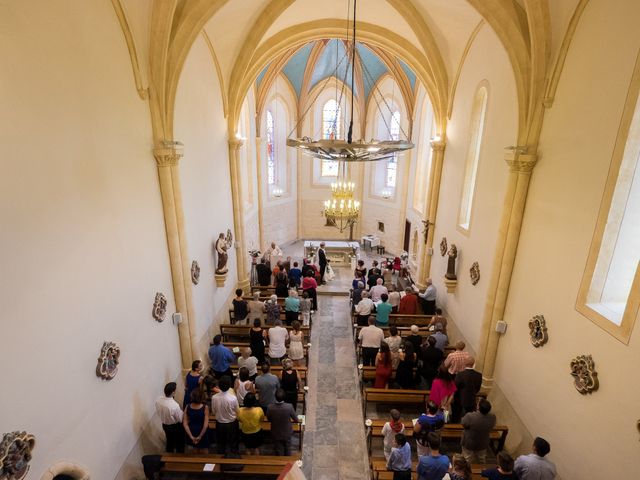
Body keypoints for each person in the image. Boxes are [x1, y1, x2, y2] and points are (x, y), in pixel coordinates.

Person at [461, 399, 497, 464]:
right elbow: (492, 426)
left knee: (467, 458)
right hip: (483, 441)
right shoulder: (492, 417)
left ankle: (467, 469)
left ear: (478, 407)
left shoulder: (470, 416)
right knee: (481, 458)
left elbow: (463, 423)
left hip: (470, 441)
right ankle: (481, 470)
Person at [210, 376, 239, 454]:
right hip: (232, 423)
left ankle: (221, 456)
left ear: (219, 386)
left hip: (220, 423)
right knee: (233, 442)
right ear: (229, 386)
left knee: (221, 442)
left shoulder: (214, 398)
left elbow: (213, 411)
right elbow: (237, 411)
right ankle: (234, 455)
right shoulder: (233, 398)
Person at [266, 388, 299, 456]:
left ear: (275, 397)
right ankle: (287, 461)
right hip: (287, 431)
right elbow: (296, 419)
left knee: (278, 448)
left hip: (276, 431)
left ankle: (280, 459)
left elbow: (268, 418)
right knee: (288, 447)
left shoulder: (270, 407)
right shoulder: (289, 407)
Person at [155, 382, 185, 453]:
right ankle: (180, 456)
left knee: (169, 441)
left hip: (164, 425)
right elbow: (180, 419)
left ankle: (169, 455)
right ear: (173, 392)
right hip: (175, 426)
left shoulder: (158, 400)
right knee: (179, 443)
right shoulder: (174, 405)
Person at [453, 356, 482, 422]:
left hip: (459, 398)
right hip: (472, 398)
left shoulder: (460, 374)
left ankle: (455, 423)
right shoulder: (479, 375)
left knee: (457, 414)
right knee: (469, 414)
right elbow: (478, 388)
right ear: (473, 364)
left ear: (465, 363)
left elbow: (455, 387)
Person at [183, 389, 209, 454]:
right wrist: (200, 436)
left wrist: (191, 436)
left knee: (194, 449)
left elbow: (185, 424)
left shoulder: (187, 406)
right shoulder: (205, 407)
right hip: (202, 430)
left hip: (191, 430)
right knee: (204, 449)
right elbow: (205, 425)